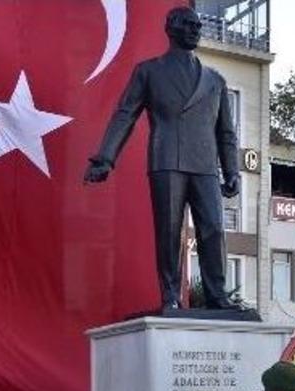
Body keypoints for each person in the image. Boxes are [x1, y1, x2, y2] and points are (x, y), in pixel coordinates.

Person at [84, 6, 239, 311]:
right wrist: (105, 158)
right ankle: (170, 295)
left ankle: (217, 295)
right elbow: (125, 114)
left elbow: (226, 132)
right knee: (169, 232)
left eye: (198, 26)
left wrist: (232, 170)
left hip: (205, 164)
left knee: (213, 228)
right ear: (171, 29)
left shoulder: (215, 80)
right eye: (189, 24)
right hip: (167, 159)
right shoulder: (149, 71)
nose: (195, 30)